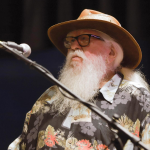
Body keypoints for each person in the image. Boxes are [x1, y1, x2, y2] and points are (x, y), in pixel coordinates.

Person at [8, 9, 150, 150]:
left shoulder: (136, 97)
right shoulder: (49, 99)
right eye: (70, 41)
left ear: (111, 52)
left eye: (84, 39)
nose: (74, 46)